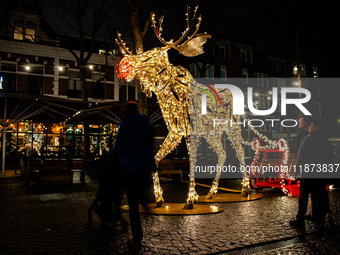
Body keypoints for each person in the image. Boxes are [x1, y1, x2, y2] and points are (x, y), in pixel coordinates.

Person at [109, 101, 156, 248]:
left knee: (133, 204)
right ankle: (144, 200)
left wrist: (112, 162)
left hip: (131, 167)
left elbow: (118, 146)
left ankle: (136, 238)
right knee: (139, 194)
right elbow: (150, 143)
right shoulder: (147, 122)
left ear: (126, 111)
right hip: (145, 167)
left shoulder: (126, 124)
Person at [290, 119, 333, 229]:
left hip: (309, 172)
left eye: (311, 125)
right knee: (321, 197)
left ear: (316, 128)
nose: (309, 127)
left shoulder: (308, 139)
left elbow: (301, 156)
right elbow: (329, 158)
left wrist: (297, 171)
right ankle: (320, 221)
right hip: (321, 173)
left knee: (303, 196)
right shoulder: (326, 141)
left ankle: (300, 219)